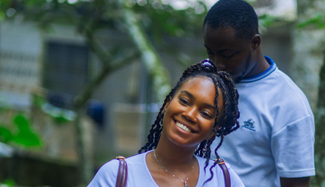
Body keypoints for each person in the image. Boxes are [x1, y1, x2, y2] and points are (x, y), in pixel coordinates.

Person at [203, 0, 315, 187]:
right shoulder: (204, 83)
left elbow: (296, 183)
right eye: (210, 53)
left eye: (227, 54)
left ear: (254, 43)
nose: (218, 64)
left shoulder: (289, 103)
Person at [87, 60, 245, 187]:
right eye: (184, 101)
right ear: (167, 104)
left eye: (205, 113)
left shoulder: (223, 179)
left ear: (213, 130)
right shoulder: (117, 175)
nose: (190, 115)